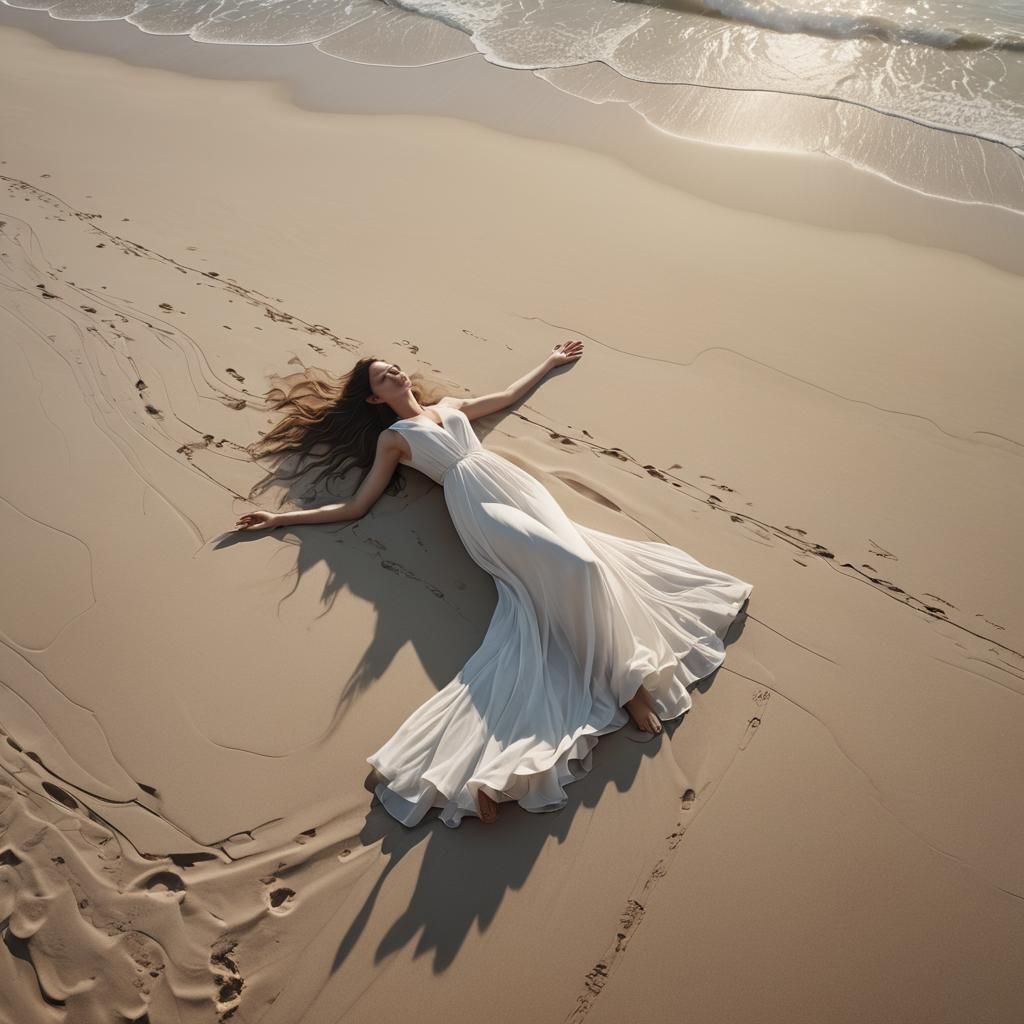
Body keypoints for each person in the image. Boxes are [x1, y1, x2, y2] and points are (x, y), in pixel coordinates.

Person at [235, 341, 753, 827]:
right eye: (381, 376)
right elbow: (357, 505)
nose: (394, 371)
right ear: (374, 397)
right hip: (479, 510)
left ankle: (621, 678)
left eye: (393, 366)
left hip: (517, 488)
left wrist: (549, 361)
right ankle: (628, 687)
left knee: (582, 563)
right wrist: (282, 521)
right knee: (581, 566)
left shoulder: (453, 405)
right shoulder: (393, 440)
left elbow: (505, 397)